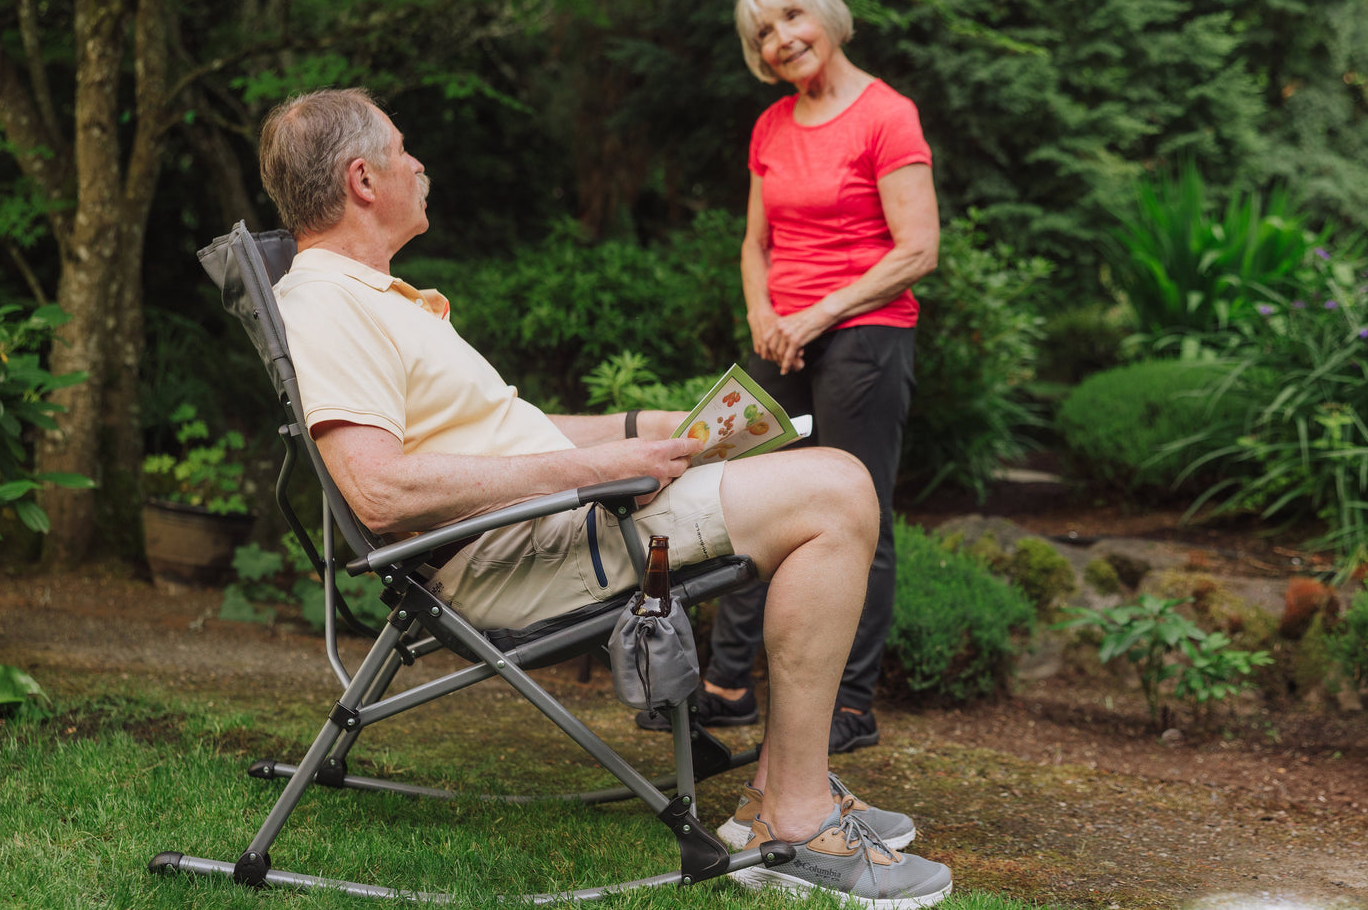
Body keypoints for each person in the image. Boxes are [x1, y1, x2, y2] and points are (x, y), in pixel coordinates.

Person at [257, 87, 951, 907]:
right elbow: (377, 491)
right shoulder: (327, 301)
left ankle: (778, 792)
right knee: (837, 489)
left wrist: (645, 426)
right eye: (405, 151)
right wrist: (596, 471)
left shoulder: (377, 295)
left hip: (547, 523)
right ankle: (792, 820)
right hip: (508, 554)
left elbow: (505, 434)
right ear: (363, 180)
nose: (421, 165)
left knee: (827, 477)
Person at [648, 0, 940, 766]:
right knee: (738, 493)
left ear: (826, 15)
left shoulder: (889, 114)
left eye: (790, 20)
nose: (780, 41)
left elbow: (917, 248)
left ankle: (849, 702)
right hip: (782, 330)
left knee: (855, 509)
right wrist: (763, 313)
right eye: (762, 33)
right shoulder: (771, 125)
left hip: (865, 333)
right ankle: (728, 685)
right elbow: (755, 243)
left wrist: (813, 314)